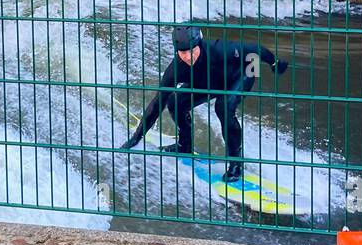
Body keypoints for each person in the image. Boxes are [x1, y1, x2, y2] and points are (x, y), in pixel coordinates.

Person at [120, 23, 288, 181]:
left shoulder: (219, 49)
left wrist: (274, 63)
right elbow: (157, 104)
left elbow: (254, 50)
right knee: (174, 102)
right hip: (208, 83)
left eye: (191, 51)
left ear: (198, 44)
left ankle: (236, 163)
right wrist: (136, 138)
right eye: (182, 52)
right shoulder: (176, 69)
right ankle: (184, 144)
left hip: (240, 75)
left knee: (223, 107)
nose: (187, 56)